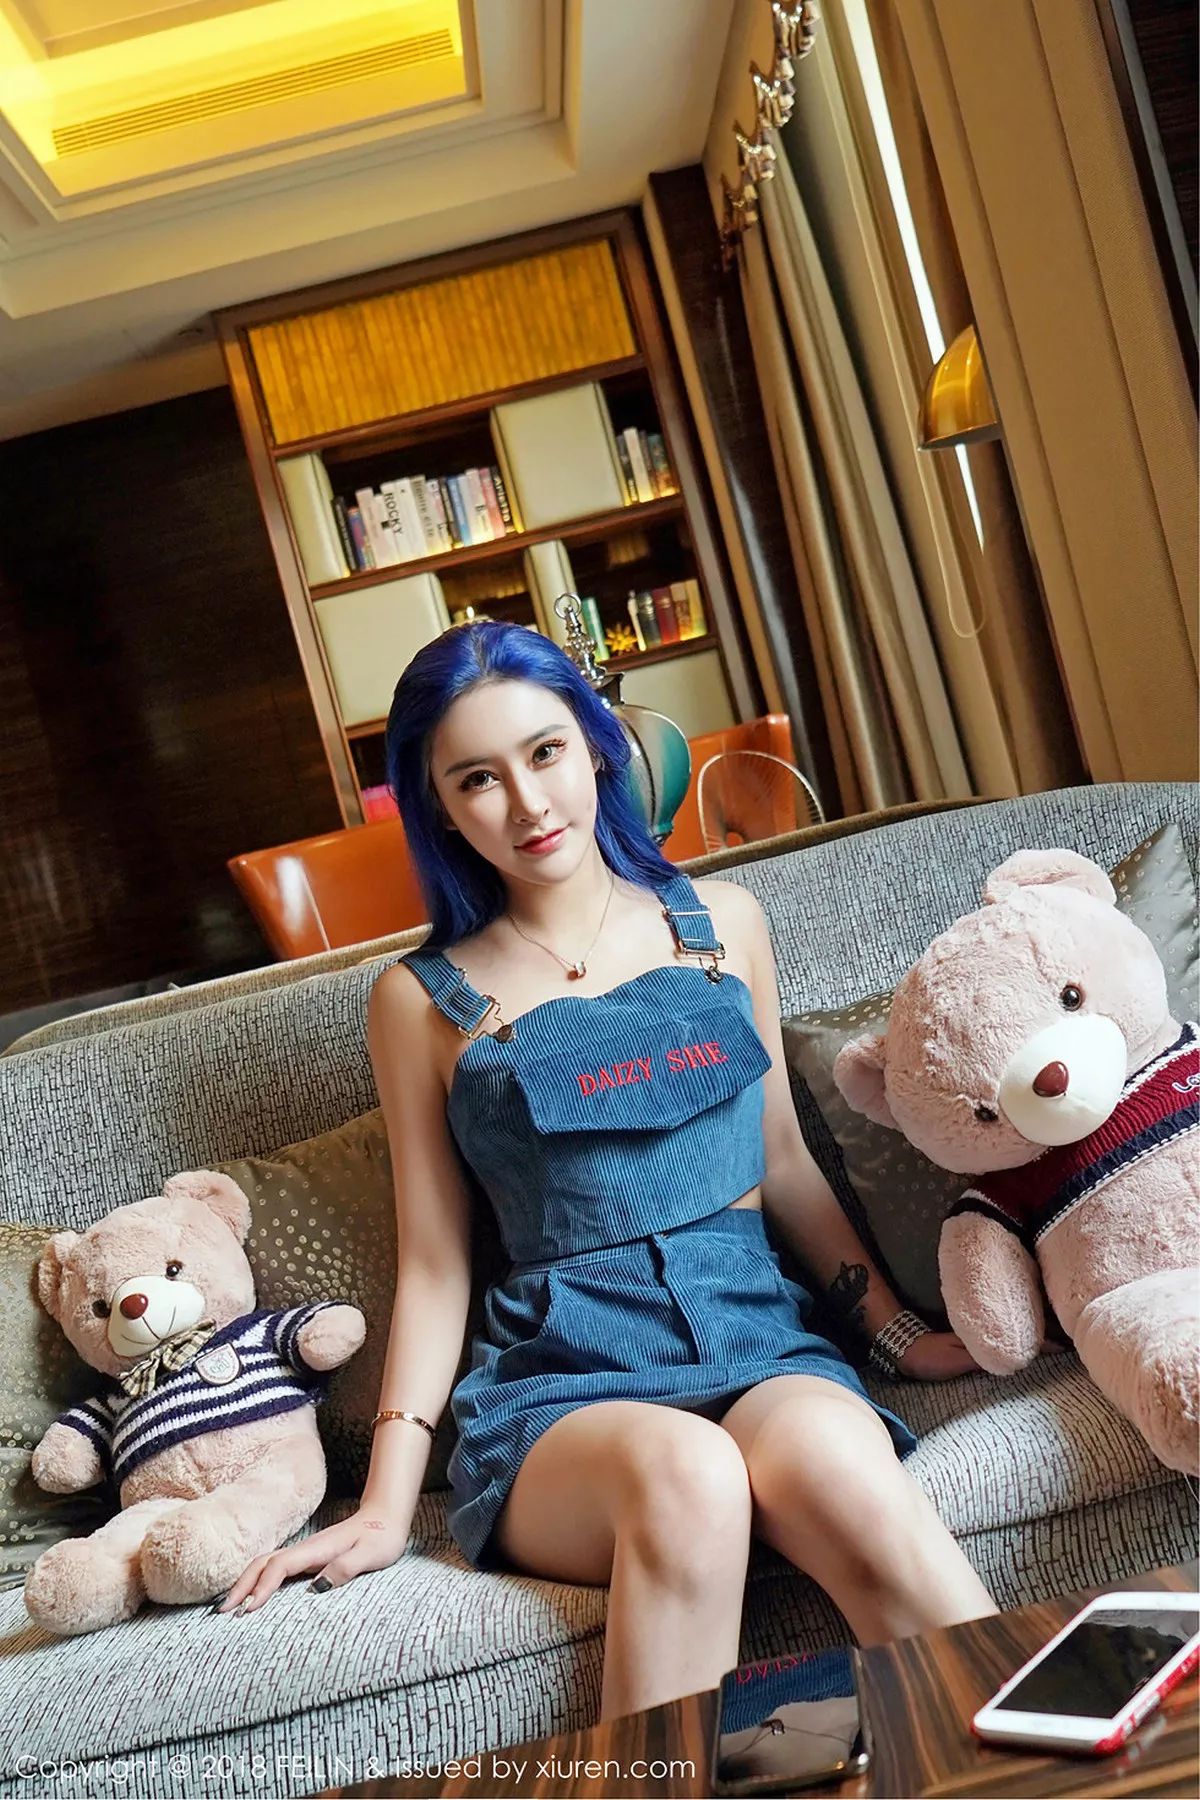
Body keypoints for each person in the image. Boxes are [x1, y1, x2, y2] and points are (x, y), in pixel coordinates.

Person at [217, 621, 996, 1717]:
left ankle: (1039, 1760)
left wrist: (898, 1335)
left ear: (594, 745)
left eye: (544, 753)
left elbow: (782, 1162)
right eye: (477, 779)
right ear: (439, 807)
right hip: (562, 1385)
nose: (528, 803)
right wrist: (388, 1502)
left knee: (840, 1462)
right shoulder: (417, 1001)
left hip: (757, 1337)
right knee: (689, 1476)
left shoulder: (724, 925)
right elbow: (435, 1263)